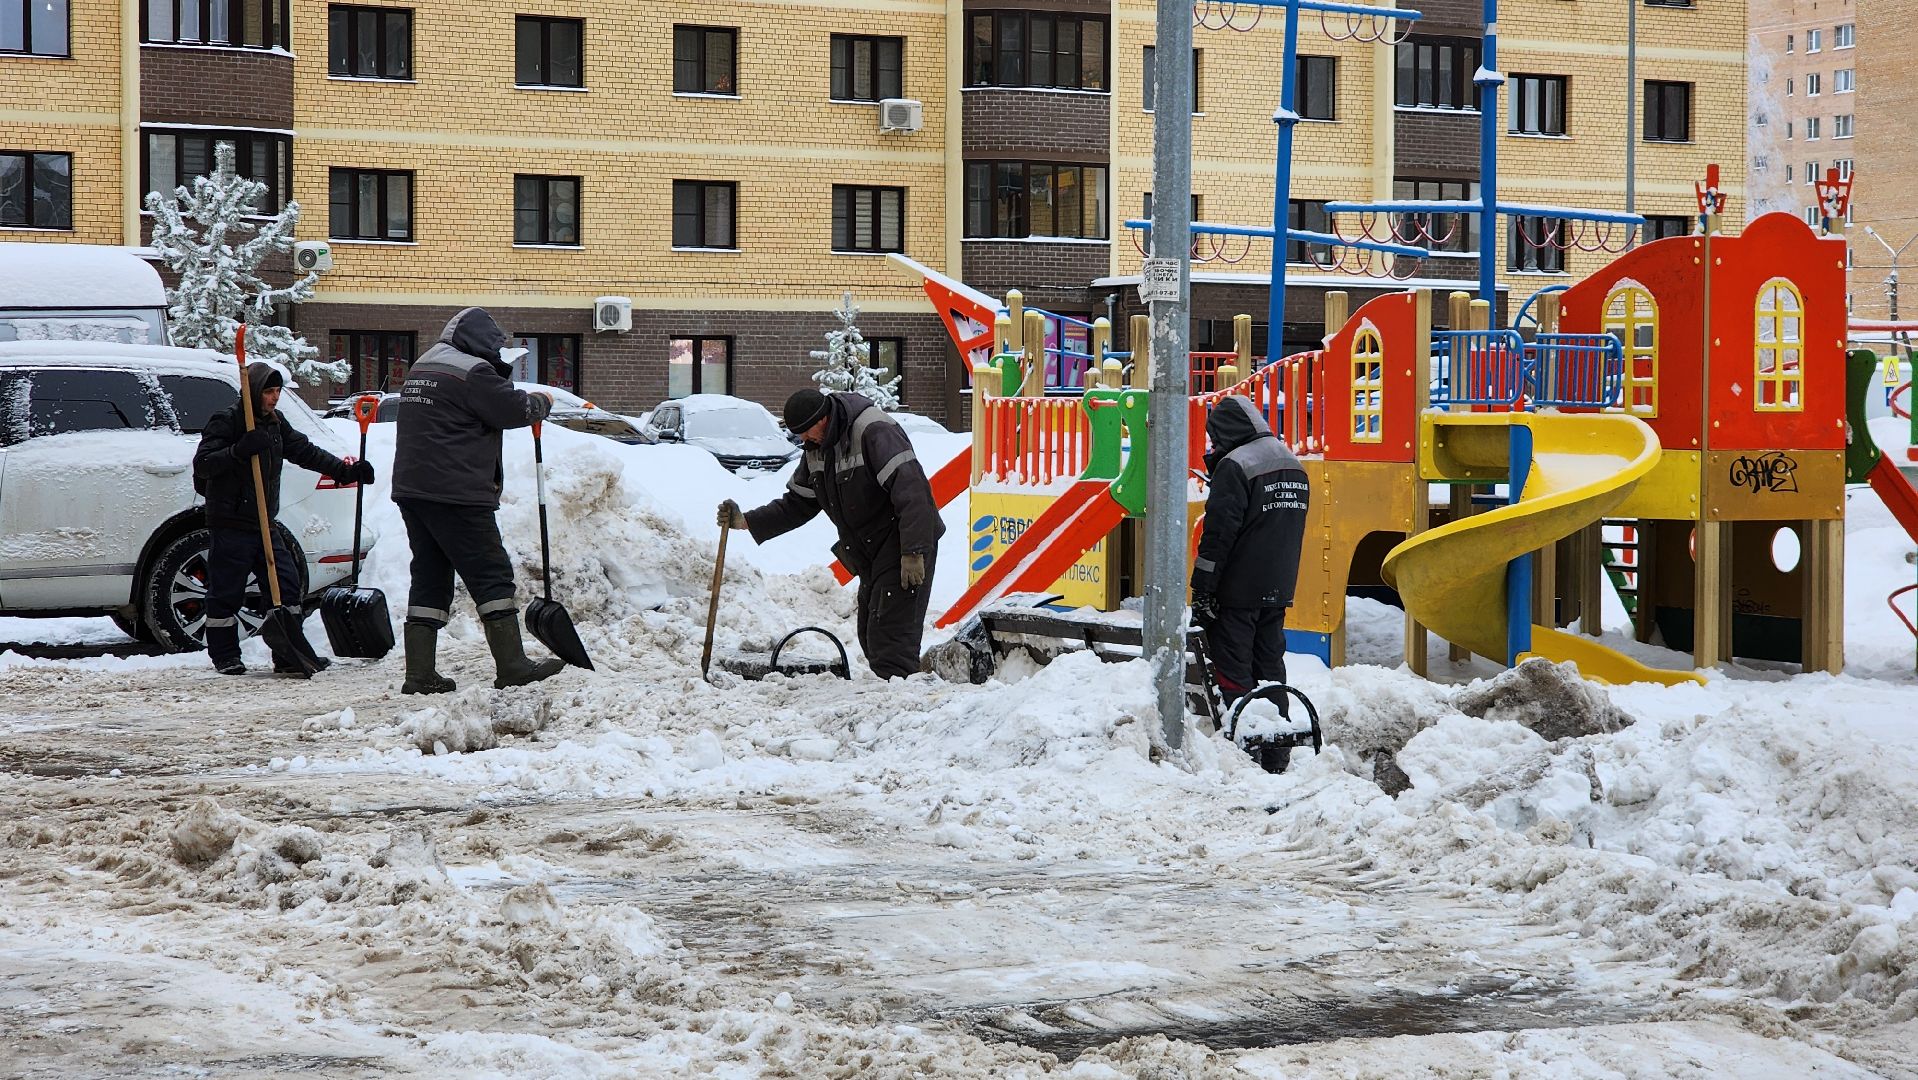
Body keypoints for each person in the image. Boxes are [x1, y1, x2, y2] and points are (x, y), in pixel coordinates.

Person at [389, 307, 562, 694]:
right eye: (495, 346)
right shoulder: (473, 371)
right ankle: (513, 665)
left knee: (430, 574)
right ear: (481, 341)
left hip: (413, 490)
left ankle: (419, 673)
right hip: (456, 492)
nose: (497, 354)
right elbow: (512, 410)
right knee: (490, 573)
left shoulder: (424, 364)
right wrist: (541, 401)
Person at [717, 388, 943, 679]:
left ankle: (907, 700)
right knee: (870, 633)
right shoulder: (817, 448)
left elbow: (913, 492)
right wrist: (747, 521)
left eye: (806, 431)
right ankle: (897, 693)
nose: (803, 439)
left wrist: (913, 551)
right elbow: (798, 503)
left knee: (891, 638)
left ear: (822, 419)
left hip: (903, 542)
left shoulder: (873, 431)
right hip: (871, 549)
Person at [193, 362, 372, 677]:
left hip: (265, 522)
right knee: (226, 592)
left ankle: (288, 652)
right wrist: (238, 451)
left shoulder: (275, 423)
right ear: (253, 392)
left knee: (287, 587)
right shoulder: (227, 421)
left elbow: (305, 451)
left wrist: (345, 471)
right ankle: (225, 656)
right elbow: (204, 464)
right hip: (231, 523)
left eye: (277, 391)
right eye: (268, 392)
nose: (274, 398)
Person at [1191, 395, 1310, 706]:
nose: (1214, 446)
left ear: (1227, 430)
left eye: (1215, 438)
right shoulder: (1292, 463)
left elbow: (1218, 536)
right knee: (1269, 666)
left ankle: (1241, 733)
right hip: (1278, 586)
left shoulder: (1235, 465)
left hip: (1236, 592)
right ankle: (1278, 733)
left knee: (1233, 670)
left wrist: (1202, 589)